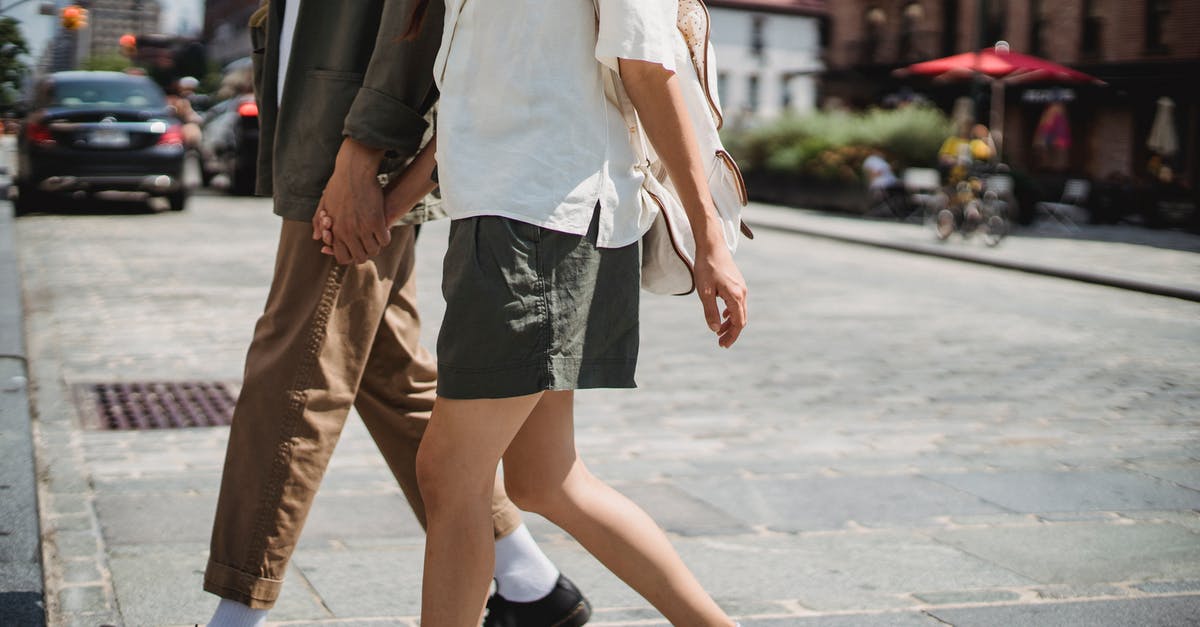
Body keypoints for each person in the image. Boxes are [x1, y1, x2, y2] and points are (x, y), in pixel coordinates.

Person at [322, 1, 748, 624]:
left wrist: (710, 239)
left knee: (449, 473)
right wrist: (392, 204)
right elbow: (483, 102)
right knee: (545, 479)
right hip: (501, 216)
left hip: (545, 219)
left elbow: (646, 69)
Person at [203, 2, 590, 626]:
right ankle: (529, 581)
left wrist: (365, 153)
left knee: (295, 372)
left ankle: (236, 616)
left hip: (352, 147)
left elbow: (415, 19)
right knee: (389, 373)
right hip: (327, 133)